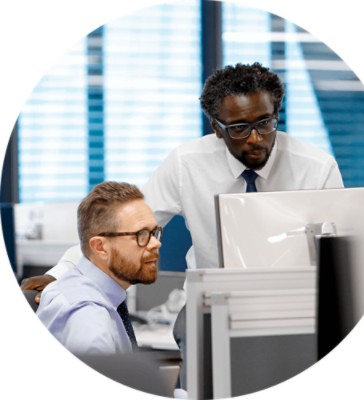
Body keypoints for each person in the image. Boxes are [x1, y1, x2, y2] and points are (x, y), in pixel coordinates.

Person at [22, 62, 344, 388]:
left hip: (293, 311)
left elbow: (342, 256)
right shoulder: (187, 164)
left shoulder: (316, 168)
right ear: (216, 128)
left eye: (266, 122)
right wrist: (60, 273)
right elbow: (122, 225)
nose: (256, 138)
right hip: (211, 309)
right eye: (238, 128)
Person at [36, 181, 162, 354]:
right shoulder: (89, 318)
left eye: (154, 232)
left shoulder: (86, 290)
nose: (156, 243)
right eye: (141, 234)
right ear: (100, 247)